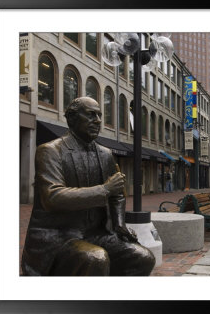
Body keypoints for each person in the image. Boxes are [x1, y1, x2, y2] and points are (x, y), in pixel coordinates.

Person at [21, 97, 155, 276]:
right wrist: (104, 189)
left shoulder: (105, 153)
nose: (98, 120)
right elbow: (52, 197)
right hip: (59, 236)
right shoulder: (50, 151)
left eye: (99, 115)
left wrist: (119, 224)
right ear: (72, 119)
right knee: (95, 258)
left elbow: (117, 194)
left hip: (95, 233)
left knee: (143, 257)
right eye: (91, 115)